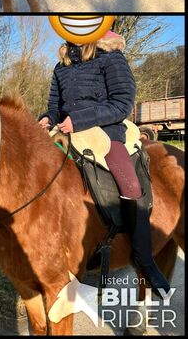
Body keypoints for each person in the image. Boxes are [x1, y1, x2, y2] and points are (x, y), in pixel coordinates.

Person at [39, 29, 170, 297]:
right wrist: (46, 118)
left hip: (106, 133)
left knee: (131, 186)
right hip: (67, 132)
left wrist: (81, 120)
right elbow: (55, 106)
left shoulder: (111, 57)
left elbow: (122, 104)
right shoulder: (60, 66)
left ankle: (145, 260)